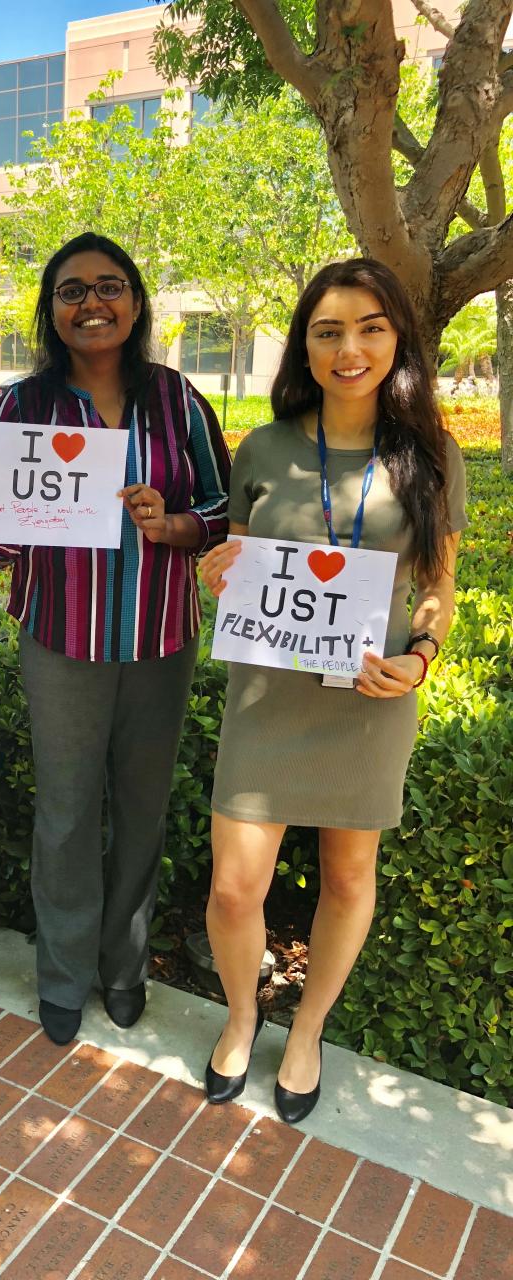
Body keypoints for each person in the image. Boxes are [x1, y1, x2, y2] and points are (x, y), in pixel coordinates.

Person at [0, 232, 231, 1044]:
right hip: (60, 640)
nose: (91, 303)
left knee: (141, 810)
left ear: (135, 302)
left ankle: (122, 968)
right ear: (51, 310)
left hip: (159, 641)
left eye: (109, 287)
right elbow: (1, 542)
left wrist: (173, 525)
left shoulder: (180, 401)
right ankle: (63, 976)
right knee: (65, 815)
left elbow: (222, 511)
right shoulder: (21, 408)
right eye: (71, 291)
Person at [198, 258, 467, 1123]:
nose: (349, 348)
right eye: (328, 330)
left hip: (369, 699)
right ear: (304, 346)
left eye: (370, 327)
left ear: (398, 340)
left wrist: (421, 655)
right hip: (269, 700)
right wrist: (218, 575)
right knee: (237, 888)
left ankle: (308, 1030)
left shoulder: (433, 456)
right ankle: (243, 1016)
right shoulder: (267, 447)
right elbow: (241, 559)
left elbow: (439, 586)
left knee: (350, 880)